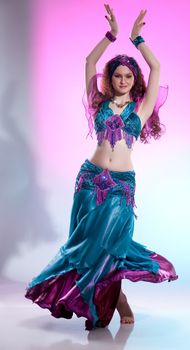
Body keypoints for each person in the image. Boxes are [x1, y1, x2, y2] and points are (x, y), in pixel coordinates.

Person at [25, 4, 178, 330]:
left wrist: (137, 39)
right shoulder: (97, 101)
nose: (123, 79)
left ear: (134, 80)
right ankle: (110, 299)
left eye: (129, 76)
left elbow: (157, 65)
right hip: (89, 180)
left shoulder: (143, 107)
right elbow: (89, 62)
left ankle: (114, 300)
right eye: (118, 75)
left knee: (112, 246)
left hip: (121, 184)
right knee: (85, 246)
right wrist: (110, 35)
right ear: (110, 79)